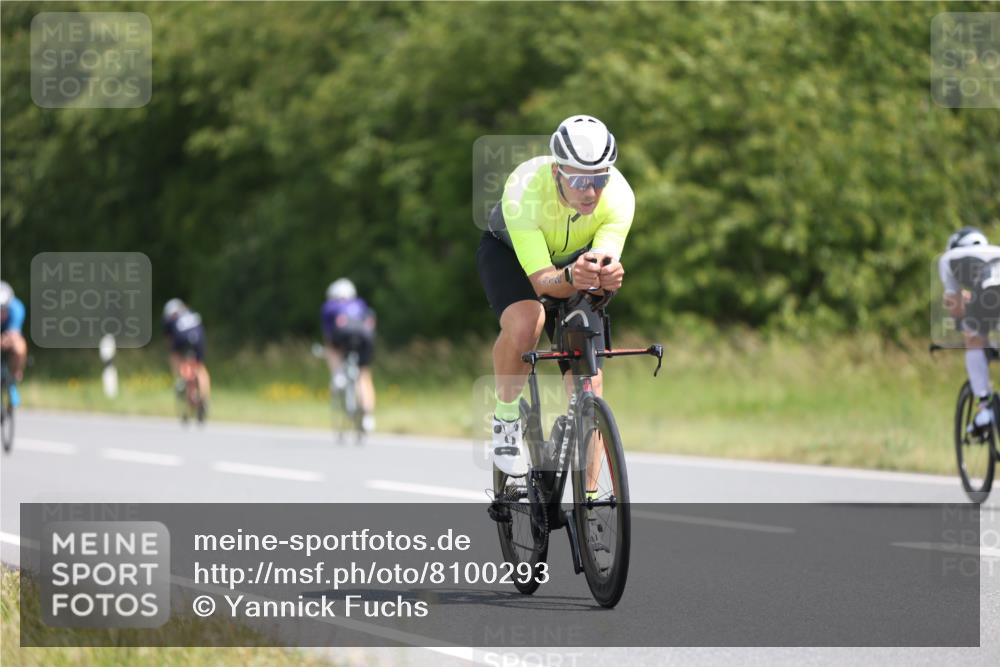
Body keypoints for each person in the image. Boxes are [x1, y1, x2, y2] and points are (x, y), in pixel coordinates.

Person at [476, 114, 635, 476]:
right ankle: (505, 420)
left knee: (590, 383)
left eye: (599, 179)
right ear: (556, 173)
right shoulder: (524, 189)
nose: (590, 191)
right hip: (512, 256)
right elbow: (542, 281)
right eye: (579, 179)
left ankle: (590, 504)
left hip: (572, 265)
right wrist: (572, 275)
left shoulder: (621, 197)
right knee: (528, 320)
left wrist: (607, 275)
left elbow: (601, 264)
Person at [939, 227, 1000, 433]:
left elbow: (955, 306)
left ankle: (984, 409)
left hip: (989, 291)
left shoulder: (948, 257)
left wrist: (961, 321)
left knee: (973, 338)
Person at [321, 278, 377, 432]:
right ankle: (368, 417)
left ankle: (338, 374)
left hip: (342, 335)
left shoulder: (329, 307)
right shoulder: (360, 304)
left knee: (332, 349)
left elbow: (327, 334)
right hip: (365, 338)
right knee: (364, 376)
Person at [162, 298, 211, 405]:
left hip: (182, 340)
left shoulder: (170, 318)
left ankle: (179, 379)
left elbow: (169, 339)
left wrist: (173, 350)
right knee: (200, 367)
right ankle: (204, 398)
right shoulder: (191, 313)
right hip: (199, 340)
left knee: (175, 356)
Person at [0, 281, 27, 407]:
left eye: (3, 309)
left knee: (19, 347)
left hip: (9, 335)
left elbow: (13, 336)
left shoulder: (16, 308)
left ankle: (13, 381)